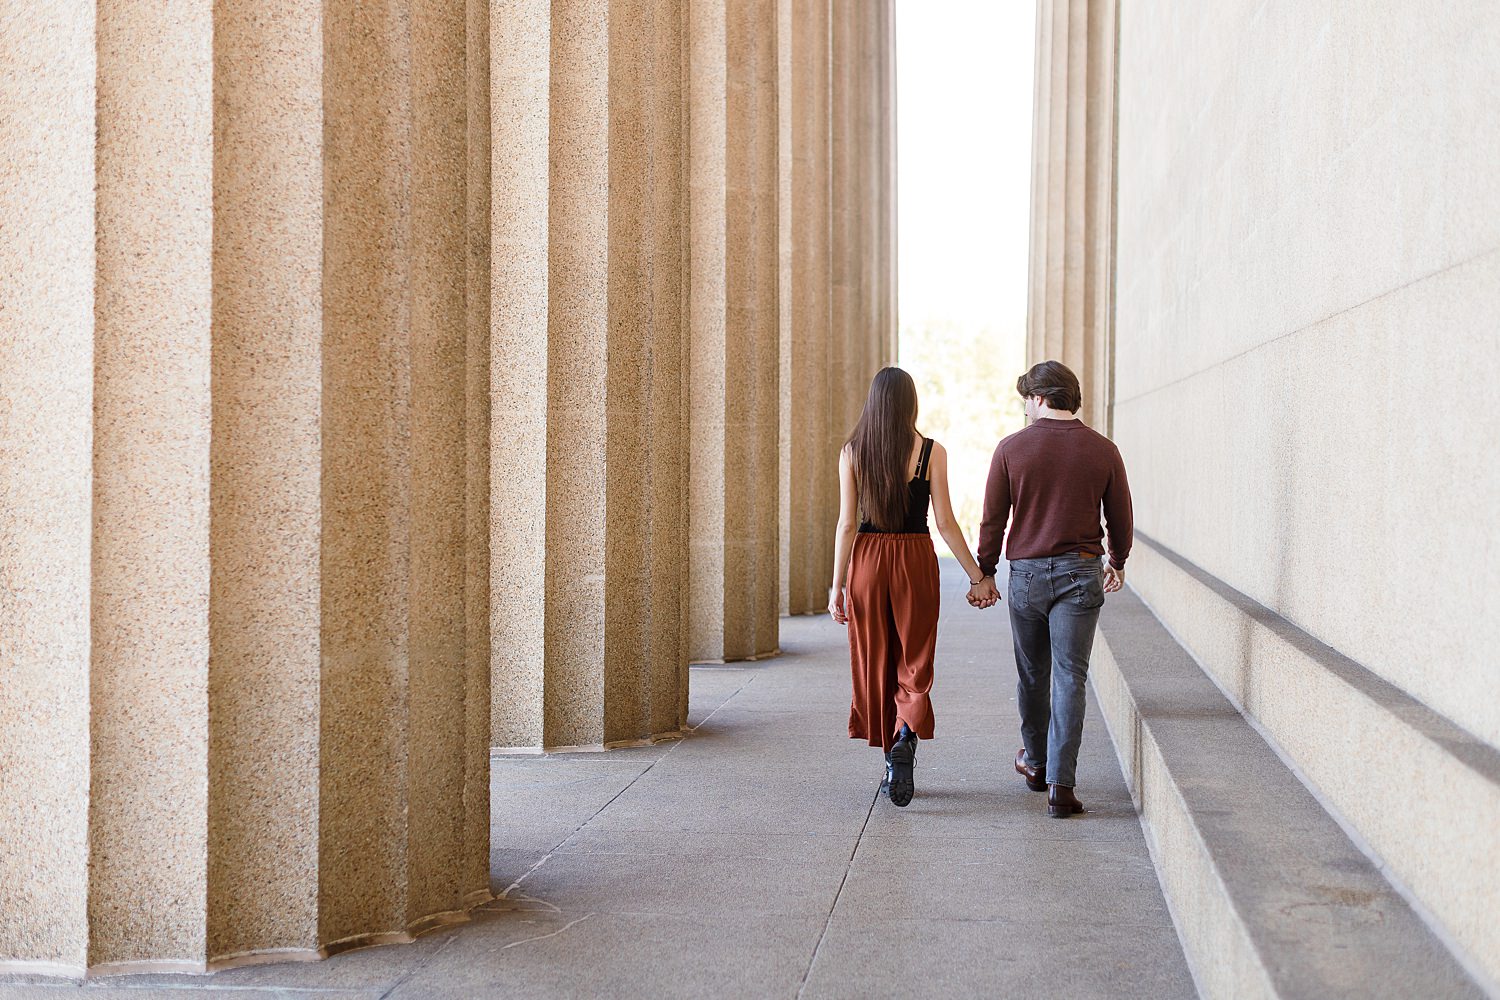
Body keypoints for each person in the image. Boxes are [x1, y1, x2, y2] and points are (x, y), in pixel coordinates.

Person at [970, 361, 1133, 818]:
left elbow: (992, 520)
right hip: (1081, 574)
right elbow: (1120, 518)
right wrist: (1117, 561)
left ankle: (1036, 764)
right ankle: (1062, 786)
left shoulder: (1011, 449)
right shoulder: (1103, 450)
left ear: (1039, 397)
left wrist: (985, 571)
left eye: (1027, 398)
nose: (1025, 408)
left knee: (1032, 673)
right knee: (1070, 676)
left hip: (1026, 576)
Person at [829, 367, 991, 807]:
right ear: (911, 404)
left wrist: (837, 585)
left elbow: (846, 524)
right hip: (915, 559)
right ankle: (905, 733)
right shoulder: (931, 452)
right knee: (914, 657)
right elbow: (945, 522)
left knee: (875, 658)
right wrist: (978, 576)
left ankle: (890, 759)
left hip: (866, 560)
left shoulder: (853, 452)